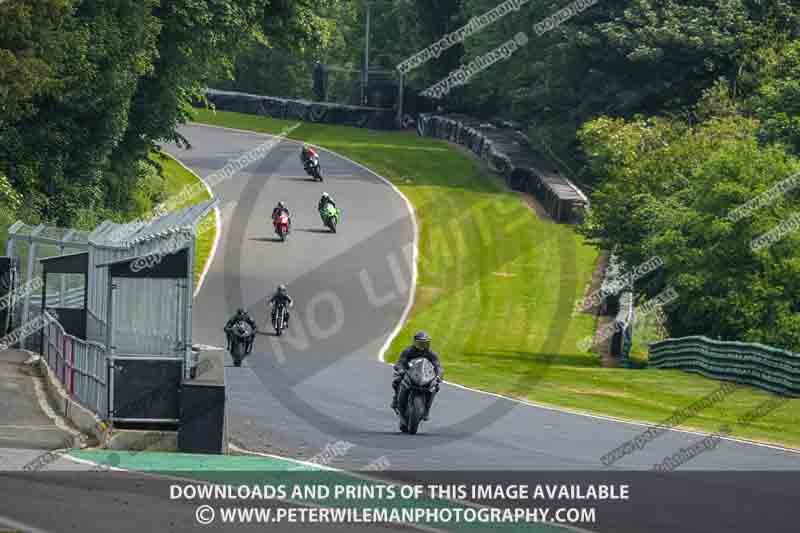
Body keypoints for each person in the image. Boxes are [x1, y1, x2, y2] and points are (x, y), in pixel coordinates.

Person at [391, 331, 443, 420]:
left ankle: (426, 410)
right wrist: (400, 369)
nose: (423, 346)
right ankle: (395, 400)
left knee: (435, 387)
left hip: (424, 376)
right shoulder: (408, 351)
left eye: (425, 343)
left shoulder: (431, 354)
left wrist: (439, 375)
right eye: (420, 343)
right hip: (409, 373)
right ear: (415, 342)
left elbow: (437, 366)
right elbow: (400, 363)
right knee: (396, 381)